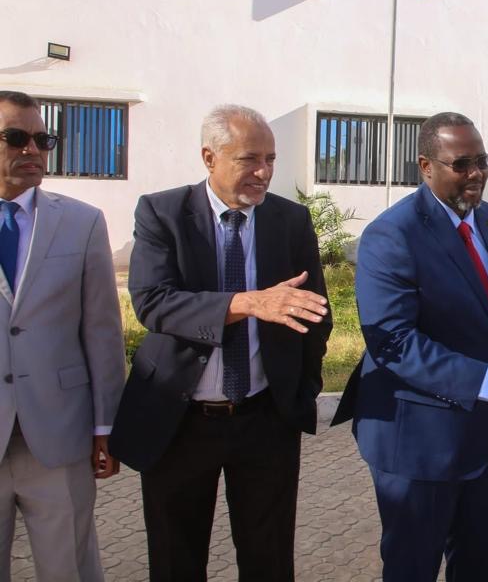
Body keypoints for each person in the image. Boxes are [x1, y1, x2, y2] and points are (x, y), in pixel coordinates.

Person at [108, 105, 332, 582]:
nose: (263, 172)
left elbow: (316, 314)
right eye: (249, 159)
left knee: (269, 561)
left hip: (264, 420)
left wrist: (300, 389)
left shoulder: (290, 220)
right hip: (179, 421)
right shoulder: (163, 212)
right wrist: (248, 303)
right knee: (176, 561)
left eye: (270, 159)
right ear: (209, 157)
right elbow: (154, 303)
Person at [331, 112, 488, 582]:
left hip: (483, 436)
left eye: (482, 161)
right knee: (413, 569)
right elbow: (394, 343)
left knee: (478, 566)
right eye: (461, 164)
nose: (476, 174)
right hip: (417, 444)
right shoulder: (392, 235)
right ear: (426, 166)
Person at [0, 90, 126, 581]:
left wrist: (106, 426)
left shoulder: (81, 222)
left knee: (68, 569)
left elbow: (102, 332)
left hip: (59, 435)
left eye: (43, 139)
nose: (32, 149)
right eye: (16, 137)